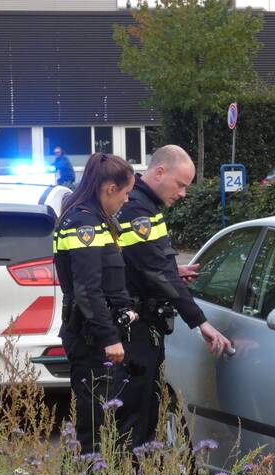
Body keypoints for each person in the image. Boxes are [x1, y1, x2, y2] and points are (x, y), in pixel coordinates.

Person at [113, 144, 231, 449]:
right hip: (135, 328)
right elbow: (154, 273)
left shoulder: (146, 207)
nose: (183, 194)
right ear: (160, 171)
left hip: (143, 323)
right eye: (181, 185)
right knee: (136, 418)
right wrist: (200, 322)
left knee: (146, 412)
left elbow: (142, 263)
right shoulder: (137, 210)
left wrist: (172, 269)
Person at [54, 152, 137, 457]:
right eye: (126, 193)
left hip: (93, 336)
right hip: (90, 339)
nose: (127, 201)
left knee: (100, 421)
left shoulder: (92, 218)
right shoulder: (84, 224)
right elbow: (87, 290)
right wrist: (109, 338)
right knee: (94, 425)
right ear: (110, 188)